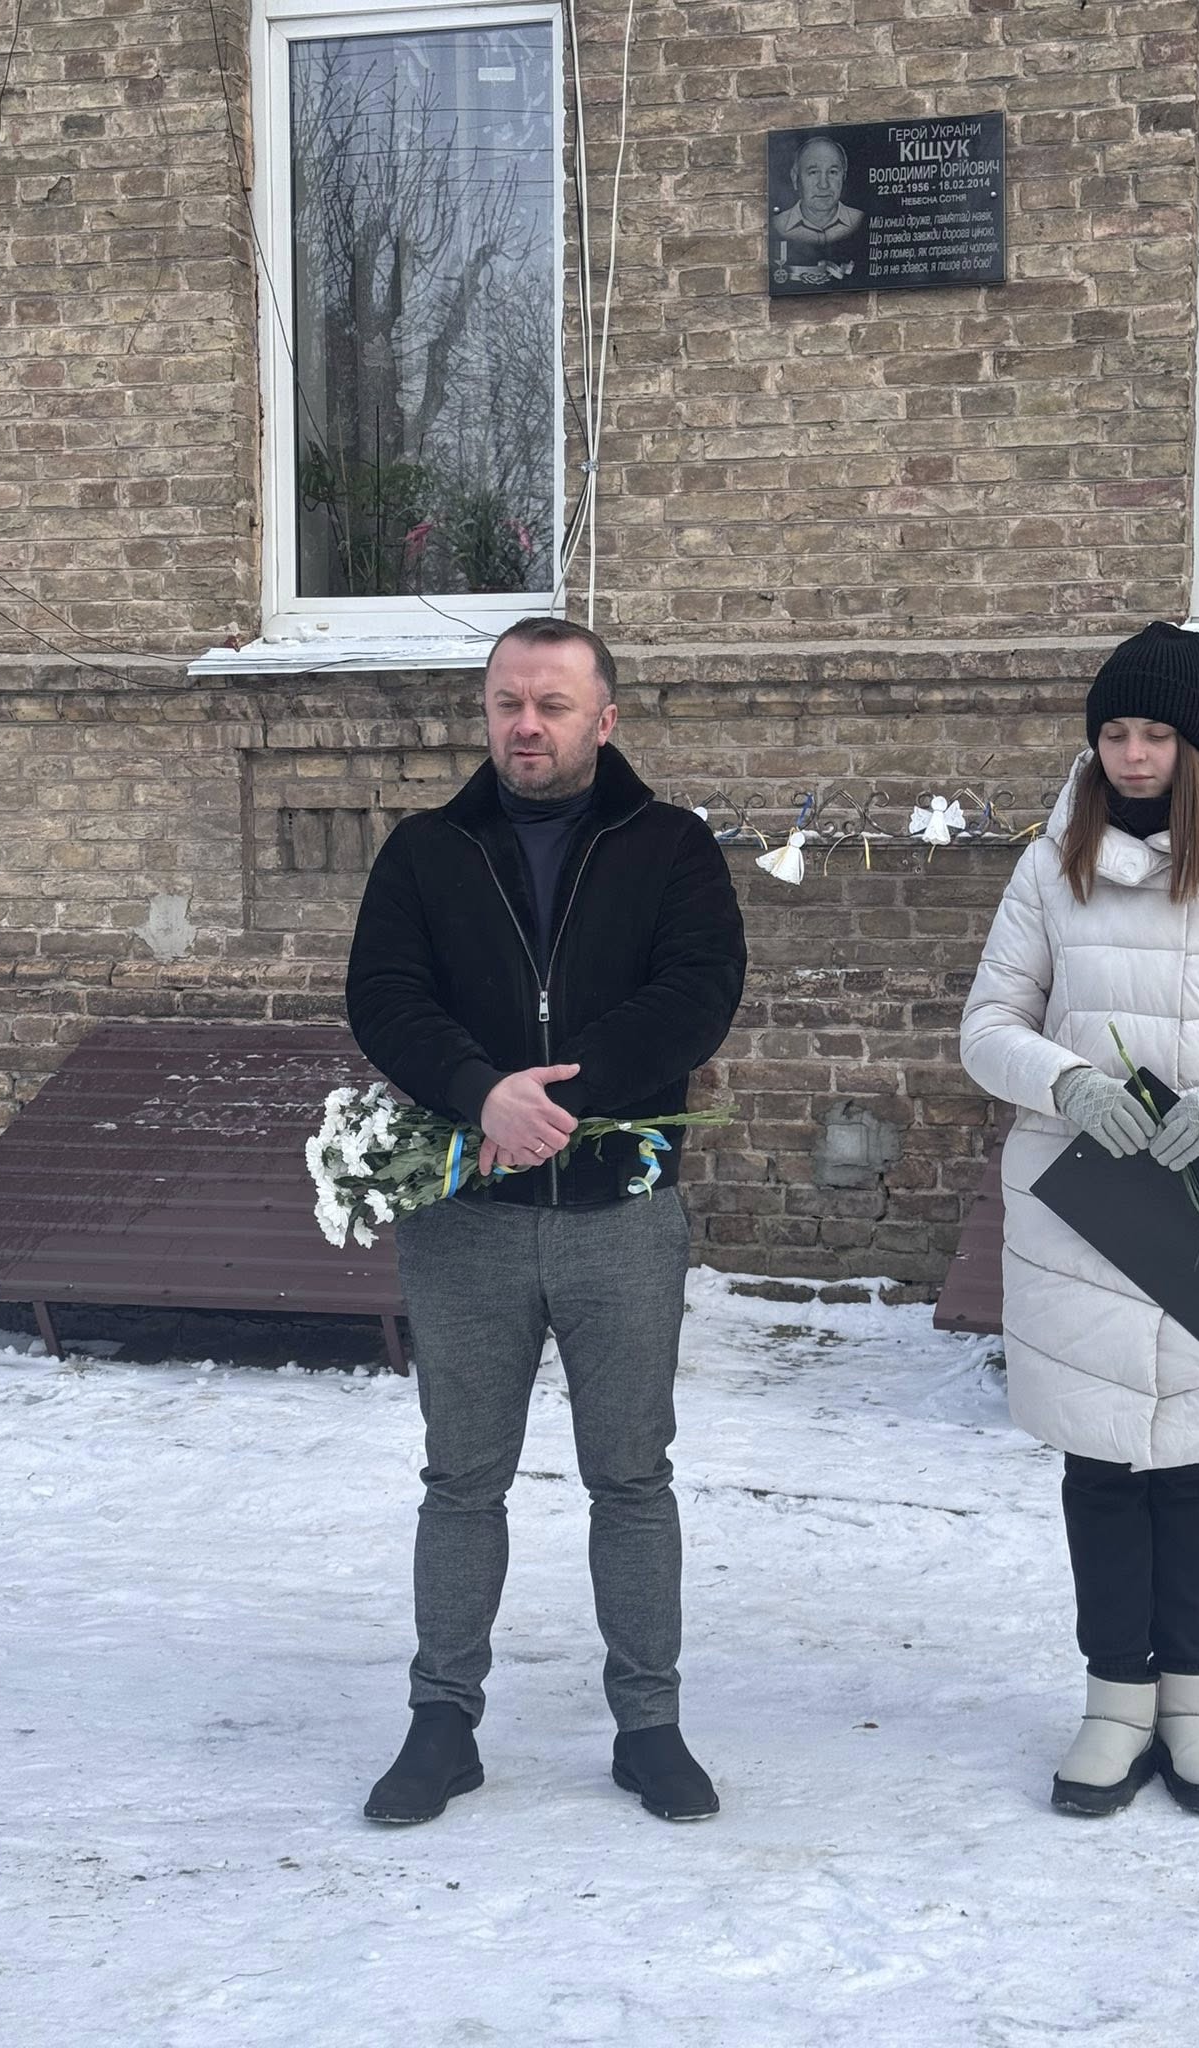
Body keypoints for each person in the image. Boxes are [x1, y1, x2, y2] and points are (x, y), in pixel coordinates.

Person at [346, 616, 746, 1826]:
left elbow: (698, 992)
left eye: (553, 704)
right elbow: (385, 997)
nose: (526, 724)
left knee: (632, 1476)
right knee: (462, 1478)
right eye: (507, 702)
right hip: (464, 1214)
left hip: (620, 1215)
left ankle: (649, 1722)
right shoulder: (426, 851)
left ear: (604, 718)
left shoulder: (670, 847)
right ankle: (441, 1719)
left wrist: (561, 1098)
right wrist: (483, 1094)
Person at [959, 621, 1199, 1818]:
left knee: (1190, 1467)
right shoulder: (1049, 868)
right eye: (1115, 732)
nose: (1133, 754)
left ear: (1198, 745)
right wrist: (1067, 1081)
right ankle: (1114, 1698)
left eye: (1157, 734)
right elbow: (987, 1027)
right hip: (1082, 1213)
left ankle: (1193, 1701)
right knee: (1102, 1462)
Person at [771, 133, 866, 284]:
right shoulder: (777, 225)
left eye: (833, 172)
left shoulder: (861, 221)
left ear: (844, 176)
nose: (823, 184)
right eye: (813, 172)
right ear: (795, 178)